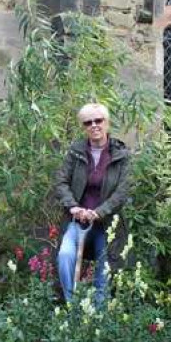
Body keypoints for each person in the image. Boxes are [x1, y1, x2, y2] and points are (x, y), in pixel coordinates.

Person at [53, 103, 131, 304]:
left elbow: (122, 191)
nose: (94, 125)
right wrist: (73, 206)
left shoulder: (121, 155)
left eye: (99, 120)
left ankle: (97, 317)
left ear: (107, 123)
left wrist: (99, 212)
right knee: (65, 257)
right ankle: (71, 308)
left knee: (104, 271)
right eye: (88, 122)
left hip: (106, 225)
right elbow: (61, 182)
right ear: (83, 126)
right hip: (77, 222)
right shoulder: (75, 152)